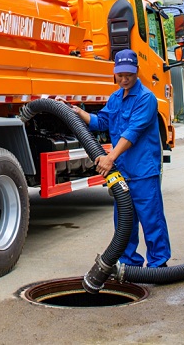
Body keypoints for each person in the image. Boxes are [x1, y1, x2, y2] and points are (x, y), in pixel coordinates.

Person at [71, 49, 171, 268]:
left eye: (129, 74)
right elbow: (101, 122)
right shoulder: (116, 98)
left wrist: (109, 157)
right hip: (123, 171)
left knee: (151, 220)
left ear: (137, 72)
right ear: (115, 73)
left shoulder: (146, 99)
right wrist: (79, 113)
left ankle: (158, 266)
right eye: (121, 75)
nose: (124, 79)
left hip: (143, 171)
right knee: (125, 221)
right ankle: (129, 265)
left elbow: (132, 132)